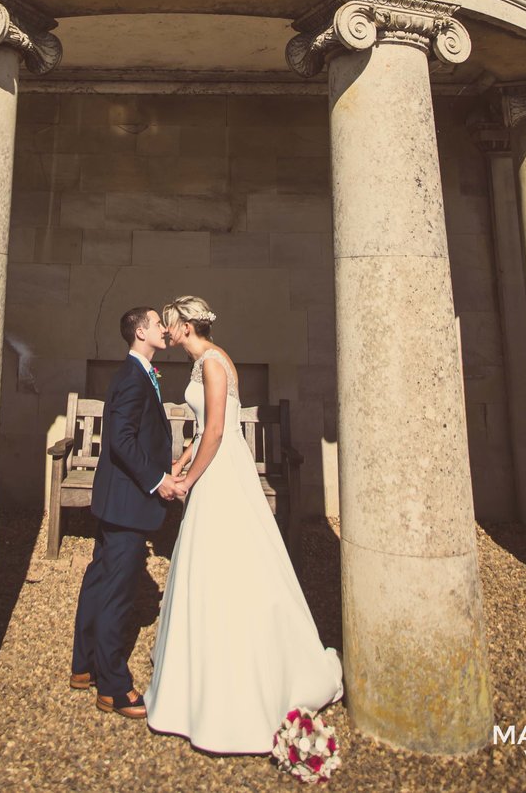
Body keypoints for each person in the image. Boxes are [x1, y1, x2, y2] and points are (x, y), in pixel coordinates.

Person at [144, 295, 342, 753]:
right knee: (215, 561)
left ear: (188, 326)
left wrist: (189, 479)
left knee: (225, 556)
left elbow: (217, 431)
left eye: (171, 324)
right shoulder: (205, 363)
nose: (168, 331)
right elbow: (206, 429)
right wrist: (184, 456)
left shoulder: (213, 363)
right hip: (216, 458)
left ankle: (240, 686)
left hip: (222, 470)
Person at [71, 305, 184, 718]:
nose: (162, 329)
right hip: (128, 502)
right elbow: (120, 438)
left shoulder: (137, 374)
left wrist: (164, 467)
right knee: (119, 592)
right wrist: (158, 481)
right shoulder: (134, 378)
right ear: (140, 332)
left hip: (118, 499)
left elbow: (136, 437)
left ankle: (83, 666)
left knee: (100, 579)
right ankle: (113, 687)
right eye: (156, 324)